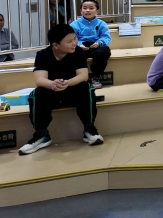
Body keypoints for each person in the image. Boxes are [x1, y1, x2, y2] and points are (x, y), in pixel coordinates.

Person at [18, 24, 103, 155]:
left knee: (86, 88)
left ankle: (89, 129)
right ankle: (41, 134)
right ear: (55, 45)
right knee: (37, 93)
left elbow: (83, 75)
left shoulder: (78, 52)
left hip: (72, 91)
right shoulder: (42, 55)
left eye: (74, 39)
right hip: (52, 92)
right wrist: (53, 84)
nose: (74, 43)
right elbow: (39, 79)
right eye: (69, 41)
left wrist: (67, 83)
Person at [70, 0, 111, 90]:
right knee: (74, 53)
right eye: (85, 8)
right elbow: (72, 38)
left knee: (105, 51)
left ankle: (96, 76)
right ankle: (81, 78)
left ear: (97, 11)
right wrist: (78, 44)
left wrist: (99, 43)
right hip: (80, 46)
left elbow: (106, 37)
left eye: (91, 8)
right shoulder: (74, 24)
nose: (87, 10)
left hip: (95, 45)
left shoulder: (101, 24)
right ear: (81, 11)